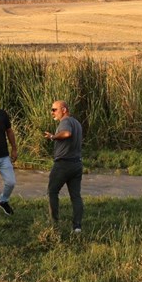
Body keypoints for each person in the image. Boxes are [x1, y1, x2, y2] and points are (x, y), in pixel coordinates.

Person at [44, 100, 84, 233]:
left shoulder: (65, 122)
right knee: (76, 196)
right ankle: (77, 226)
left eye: (54, 109)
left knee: (52, 192)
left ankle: (54, 224)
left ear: (64, 110)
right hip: (77, 164)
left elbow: (67, 133)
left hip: (63, 164)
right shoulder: (77, 123)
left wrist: (53, 137)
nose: (52, 113)